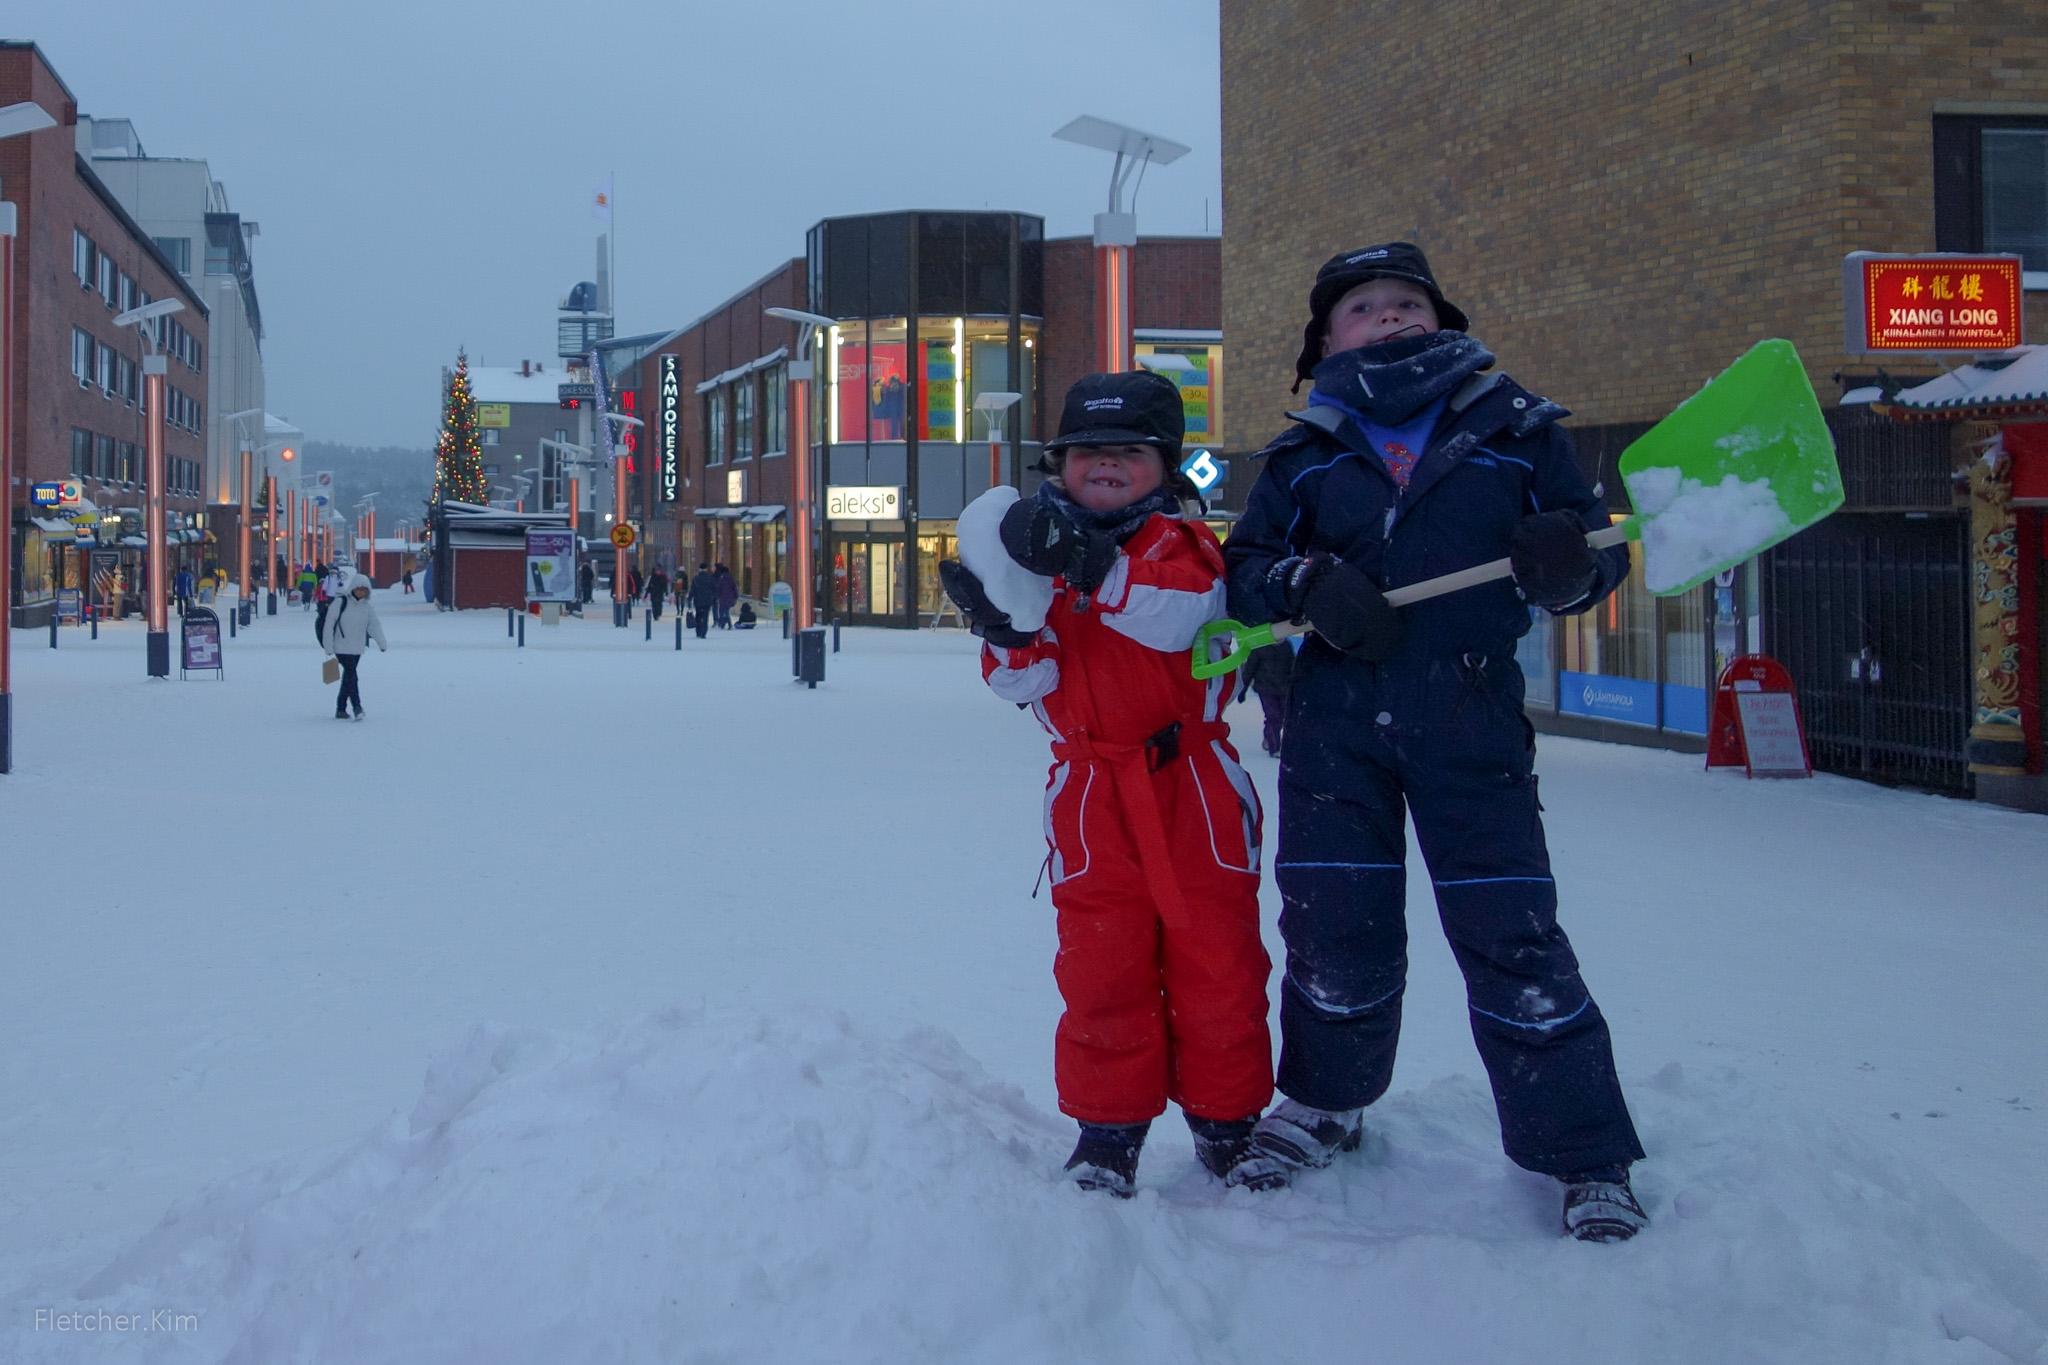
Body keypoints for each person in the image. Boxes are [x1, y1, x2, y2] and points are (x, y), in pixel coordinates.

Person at [1219, 243, 1646, 1241]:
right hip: (1333, 726)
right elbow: (1245, 572)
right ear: (1325, 341)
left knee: (1514, 935)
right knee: (1334, 927)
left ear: (1442, 320)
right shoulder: (1305, 453)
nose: (1389, 316)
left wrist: (1567, 568)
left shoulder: (1514, 429)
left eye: (1406, 301)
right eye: (1363, 306)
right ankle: (1325, 1101)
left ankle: (1583, 1151)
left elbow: (1592, 550)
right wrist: (1302, 587)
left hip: (1468, 714)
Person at [940, 369, 1271, 1198]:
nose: (1108, 464)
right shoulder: (1040, 566)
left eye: (1131, 451)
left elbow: (1181, 617)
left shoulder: (1182, 548)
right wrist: (1005, 627)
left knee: (1219, 963)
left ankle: (1227, 1122)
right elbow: (1025, 683)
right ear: (1060, 464)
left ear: (1165, 467)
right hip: (1091, 794)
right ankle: (1108, 1130)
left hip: (1193, 786)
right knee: (1100, 966)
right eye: (1088, 451)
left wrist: (1090, 564)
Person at [319, 572, 387, 720]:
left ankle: (341, 708)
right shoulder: (340, 603)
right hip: (341, 647)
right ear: (353, 588)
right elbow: (329, 625)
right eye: (358, 589)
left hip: (357, 648)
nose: (361, 592)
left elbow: (374, 625)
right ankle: (357, 706)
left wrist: (381, 643)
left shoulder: (366, 608)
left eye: (364, 590)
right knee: (352, 675)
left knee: (348, 677)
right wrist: (328, 647)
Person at [1235, 640, 1296, 758]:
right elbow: (1249, 669)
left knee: (1284, 716)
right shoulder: (1260, 647)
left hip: (1283, 689)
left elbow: (1293, 666)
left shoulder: (1286, 646)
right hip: (1266, 689)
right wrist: (1243, 690)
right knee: (1273, 716)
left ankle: (1269, 738)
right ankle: (1274, 747)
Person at [688, 562, 717, 639]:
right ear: (706, 569)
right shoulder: (710, 578)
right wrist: (713, 598)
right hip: (707, 601)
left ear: (699, 569)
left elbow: (692, 590)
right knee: (705, 616)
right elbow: (715, 590)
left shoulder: (696, 579)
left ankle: (698, 631)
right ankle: (704, 632)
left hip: (698, 601)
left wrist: (690, 599)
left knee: (698, 615)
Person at [714, 564, 737, 629]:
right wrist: (735, 597)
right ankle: (724, 623)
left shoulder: (722, 580)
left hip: (723, 598)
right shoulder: (732, 579)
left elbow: (719, 589)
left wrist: (717, 597)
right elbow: (735, 588)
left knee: (722, 611)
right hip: (731, 598)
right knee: (726, 610)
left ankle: (727, 623)